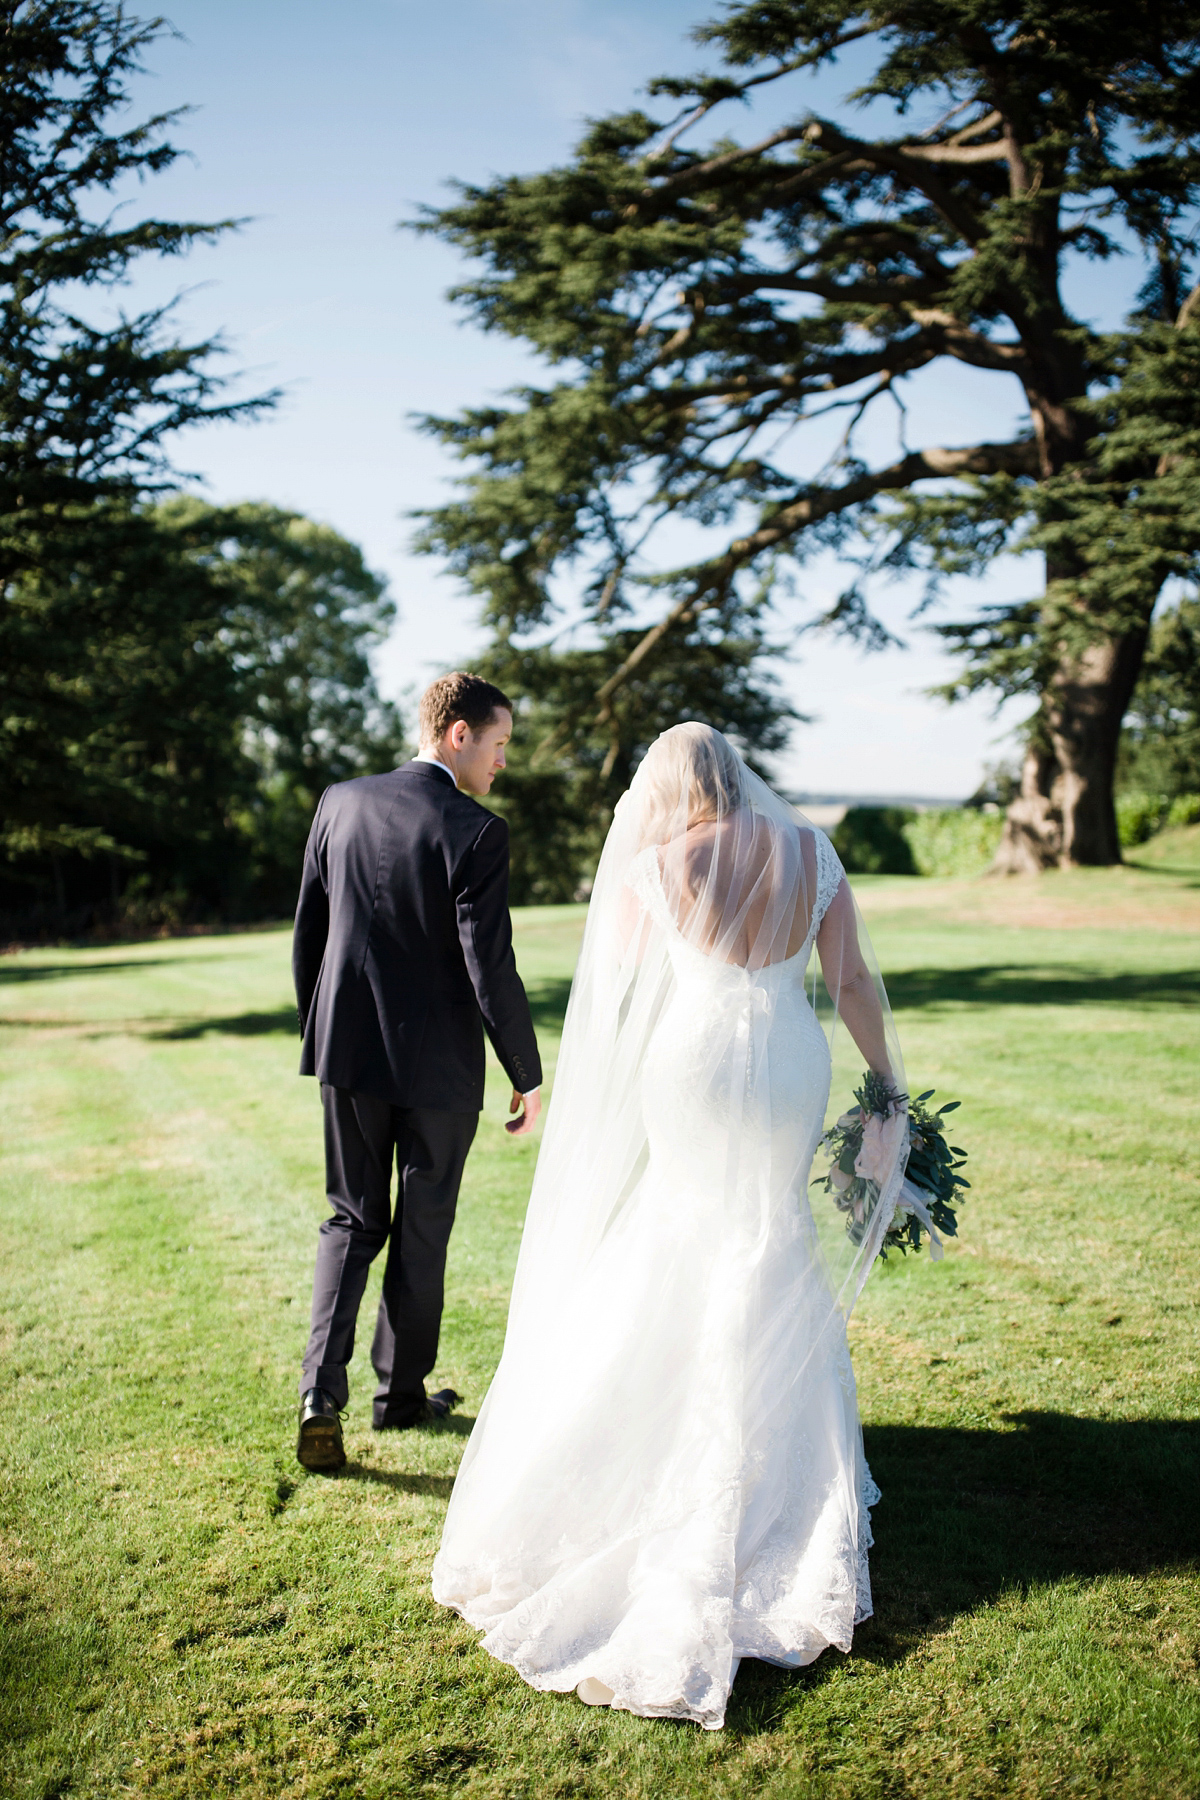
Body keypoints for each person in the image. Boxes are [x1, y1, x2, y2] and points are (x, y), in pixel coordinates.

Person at [432, 723, 910, 1730]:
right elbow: (854, 983)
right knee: (768, 1233)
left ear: (672, 789)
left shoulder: (656, 864)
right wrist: (889, 1084)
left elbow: (621, 991)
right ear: (740, 778)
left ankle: (659, 1443)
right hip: (785, 1059)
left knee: (682, 1232)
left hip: (691, 1062)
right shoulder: (810, 854)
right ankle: (767, 1463)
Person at [291, 672, 542, 1472]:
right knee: (421, 1228)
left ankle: (317, 1397)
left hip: (347, 1053)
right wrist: (525, 1073)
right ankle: (399, 1396)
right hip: (437, 1068)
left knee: (350, 1219)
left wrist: (319, 1029)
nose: (503, 763)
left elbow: (311, 931)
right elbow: (489, 965)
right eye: (499, 744)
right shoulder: (477, 830)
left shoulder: (339, 800)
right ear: (458, 734)